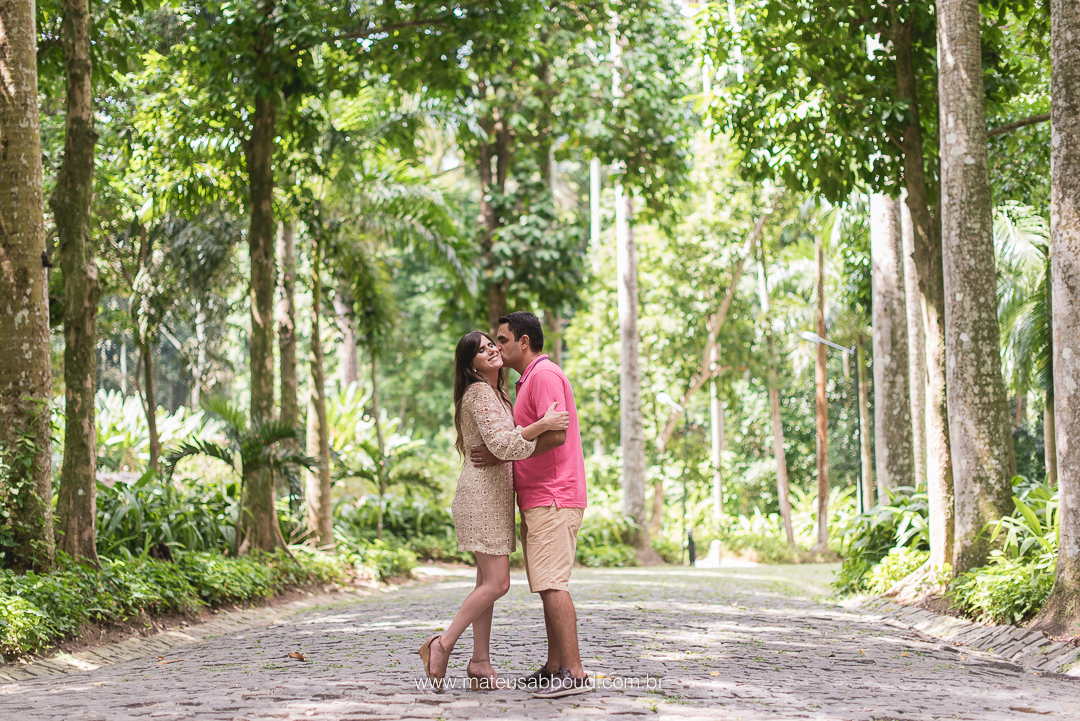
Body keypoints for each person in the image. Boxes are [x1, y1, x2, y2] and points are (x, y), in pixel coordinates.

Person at [419, 330, 569, 692]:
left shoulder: (496, 393)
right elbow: (504, 443)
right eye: (481, 349)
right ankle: (441, 644)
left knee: (485, 583)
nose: (490, 350)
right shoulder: (480, 392)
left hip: (493, 497)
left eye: (492, 345)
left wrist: (518, 437)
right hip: (481, 499)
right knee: (498, 583)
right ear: (470, 364)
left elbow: (502, 444)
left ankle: (480, 662)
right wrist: (543, 425)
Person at [471, 311, 592, 699]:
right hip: (540, 497)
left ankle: (573, 672)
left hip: (553, 495)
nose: (497, 346)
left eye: (502, 340)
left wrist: (505, 457)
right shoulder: (529, 380)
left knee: (553, 584)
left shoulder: (543, 375)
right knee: (545, 585)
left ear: (524, 342)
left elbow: (557, 433)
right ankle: (555, 666)